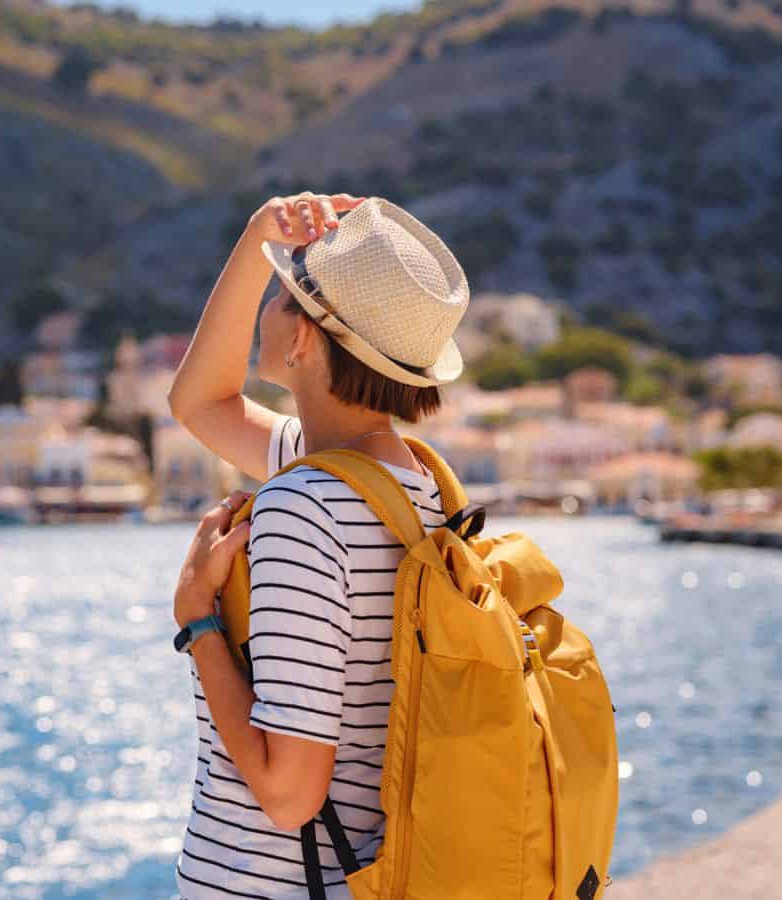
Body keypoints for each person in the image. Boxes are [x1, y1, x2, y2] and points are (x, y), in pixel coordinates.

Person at [164, 192, 472, 898]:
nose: (265, 311)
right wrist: (255, 240)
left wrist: (198, 621)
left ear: (302, 338)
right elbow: (201, 403)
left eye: (278, 295)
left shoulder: (306, 506)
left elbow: (288, 793)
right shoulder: (405, 482)